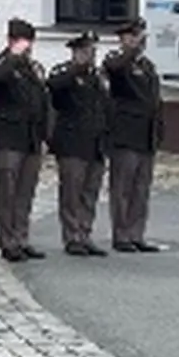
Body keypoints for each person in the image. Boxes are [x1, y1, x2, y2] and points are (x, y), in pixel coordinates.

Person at [0, 18, 49, 262]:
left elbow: (41, 102)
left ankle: (22, 237)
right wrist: (13, 55)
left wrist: (44, 135)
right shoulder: (1, 63)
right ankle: (8, 241)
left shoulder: (33, 68)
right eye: (24, 41)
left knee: (25, 192)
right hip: (8, 137)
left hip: (30, 138)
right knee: (8, 192)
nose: (29, 47)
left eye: (30, 42)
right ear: (12, 41)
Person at [103, 17, 165, 253]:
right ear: (123, 39)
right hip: (125, 134)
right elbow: (114, 69)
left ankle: (136, 234)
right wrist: (129, 51)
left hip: (145, 136)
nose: (138, 41)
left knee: (141, 188)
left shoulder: (147, 66)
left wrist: (158, 129)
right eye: (132, 36)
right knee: (122, 187)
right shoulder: (117, 61)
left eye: (140, 36)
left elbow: (154, 101)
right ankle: (121, 235)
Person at [47, 30, 110, 257]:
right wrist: (76, 68)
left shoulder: (98, 77)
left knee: (90, 192)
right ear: (75, 52)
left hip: (95, 143)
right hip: (72, 142)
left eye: (92, 50)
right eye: (85, 50)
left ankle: (85, 233)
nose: (90, 54)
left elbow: (104, 107)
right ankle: (72, 236)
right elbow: (54, 87)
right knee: (72, 192)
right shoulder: (65, 72)